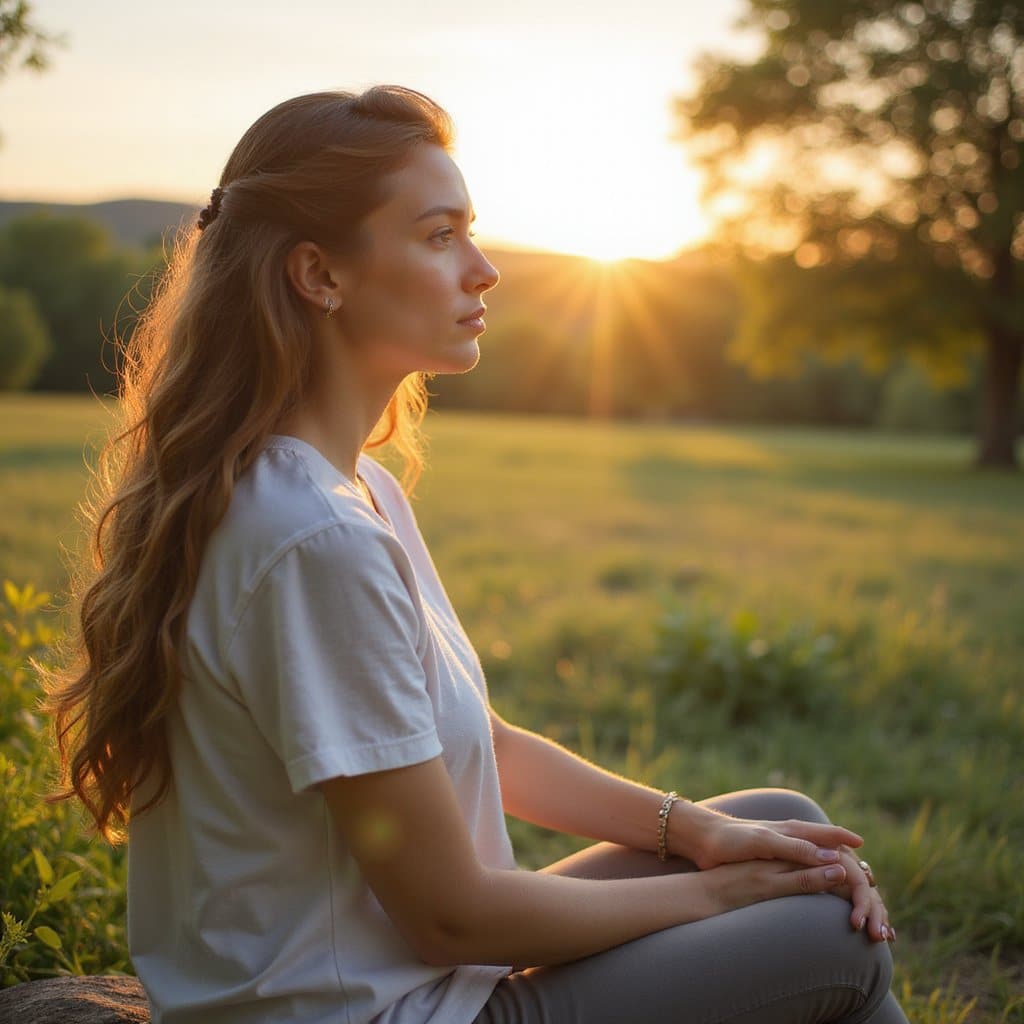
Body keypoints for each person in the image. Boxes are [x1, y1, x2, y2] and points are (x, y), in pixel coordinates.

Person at [48, 85, 910, 1024]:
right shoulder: (312, 538)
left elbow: (486, 748)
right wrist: (723, 896)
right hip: (377, 1012)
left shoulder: (351, 489)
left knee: (765, 819)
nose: (485, 268)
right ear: (318, 274)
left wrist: (695, 833)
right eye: (438, 235)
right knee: (822, 933)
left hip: (417, 982)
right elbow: (452, 920)